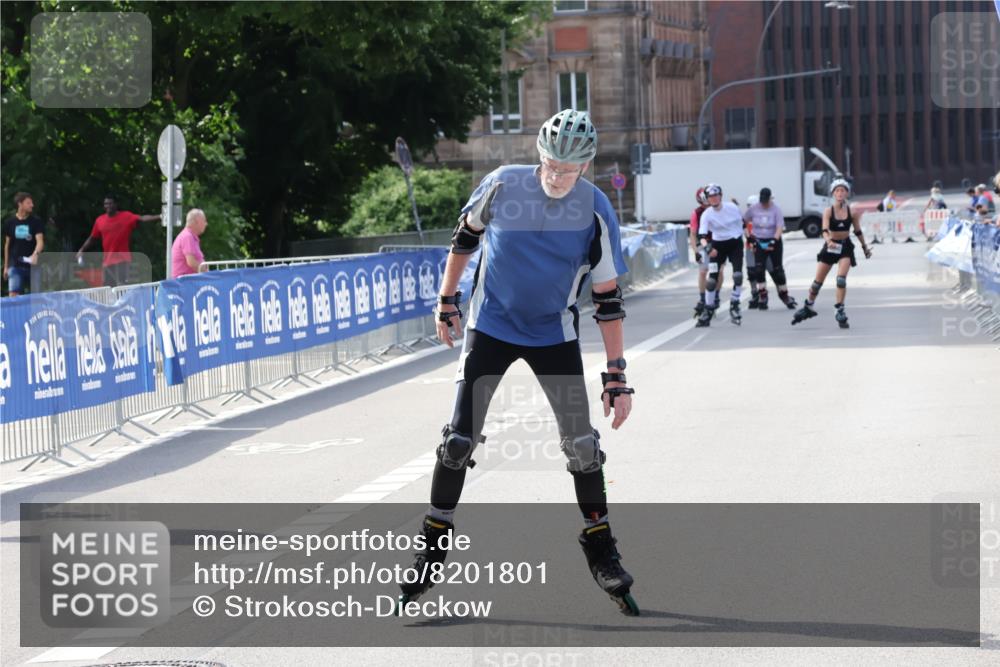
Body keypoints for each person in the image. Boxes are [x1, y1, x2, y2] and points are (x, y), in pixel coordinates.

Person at [398, 109, 639, 616]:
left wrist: (616, 375)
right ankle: (433, 541)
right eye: (550, 165)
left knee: (582, 445)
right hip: (492, 327)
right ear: (539, 156)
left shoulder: (595, 209)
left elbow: (609, 299)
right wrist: (447, 301)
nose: (555, 176)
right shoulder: (504, 186)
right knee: (459, 439)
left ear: (586, 166)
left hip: (554, 333)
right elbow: (465, 238)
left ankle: (600, 545)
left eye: (567, 170)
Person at [791, 178, 872, 329]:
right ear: (833, 194)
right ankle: (808, 306)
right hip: (831, 246)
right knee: (817, 283)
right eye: (837, 190)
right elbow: (824, 229)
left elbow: (858, 231)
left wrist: (865, 247)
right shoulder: (828, 211)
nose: (840, 193)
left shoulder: (852, 212)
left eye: (843, 190)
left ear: (847, 193)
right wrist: (828, 240)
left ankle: (839, 309)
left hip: (845, 247)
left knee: (841, 280)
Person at [75, 195, 160, 287]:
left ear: (115, 205)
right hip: (108, 261)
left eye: (110, 203)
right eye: (106, 204)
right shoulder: (100, 220)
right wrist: (82, 250)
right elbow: (92, 238)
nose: (108, 206)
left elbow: (142, 218)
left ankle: (125, 300)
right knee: (108, 287)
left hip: (122, 259)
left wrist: (160, 216)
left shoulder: (126, 216)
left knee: (121, 286)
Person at [695, 183, 746, 327]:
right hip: (718, 246)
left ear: (721, 196)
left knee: (737, 275)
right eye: (711, 197)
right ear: (707, 199)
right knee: (711, 281)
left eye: (716, 195)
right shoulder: (707, 214)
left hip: (735, 243)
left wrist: (750, 239)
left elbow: (742, 224)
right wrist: (707, 248)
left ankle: (734, 304)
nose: (714, 199)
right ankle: (708, 309)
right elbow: (702, 236)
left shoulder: (732, 207)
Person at [744, 187, 796, 310]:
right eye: (762, 201)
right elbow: (743, 221)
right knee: (758, 269)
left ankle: (785, 295)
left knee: (778, 271)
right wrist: (748, 236)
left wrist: (774, 239)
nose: (764, 204)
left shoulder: (776, 209)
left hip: (774, 241)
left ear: (770, 199)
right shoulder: (754, 208)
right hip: (759, 241)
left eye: (766, 201)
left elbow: (779, 227)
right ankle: (762, 295)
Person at [691, 186, 725, 317]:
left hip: (717, 242)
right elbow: (693, 234)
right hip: (703, 243)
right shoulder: (697, 213)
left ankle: (715, 295)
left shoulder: (718, 210)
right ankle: (702, 297)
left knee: (719, 270)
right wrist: (696, 251)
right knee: (703, 271)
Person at [3, 192, 44, 297]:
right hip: (15, 265)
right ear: (20, 204)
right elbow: (7, 246)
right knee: (13, 296)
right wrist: (6, 267)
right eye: (28, 203)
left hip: (33, 265)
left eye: (32, 203)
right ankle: (13, 313)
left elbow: (40, 241)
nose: (32, 205)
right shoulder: (9, 223)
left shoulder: (36, 222)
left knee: (37, 297)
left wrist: (35, 254)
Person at [171, 208, 208, 277]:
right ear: (197, 221)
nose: (206, 224)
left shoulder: (189, 236)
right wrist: (207, 275)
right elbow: (191, 262)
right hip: (184, 283)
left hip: (187, 282)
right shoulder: (187, 236)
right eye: (204, 221)